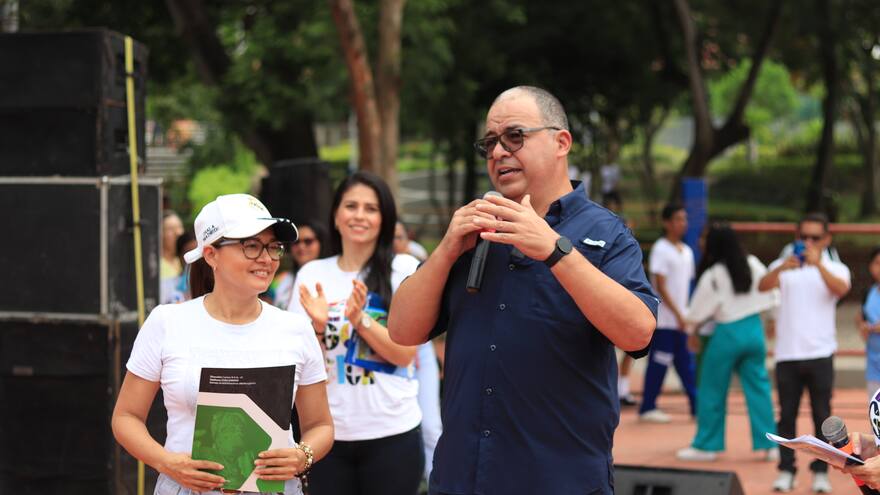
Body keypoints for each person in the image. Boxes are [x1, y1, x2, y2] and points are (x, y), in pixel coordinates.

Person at [386, 86, 658, 494]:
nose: (498, 152)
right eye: (490, 142)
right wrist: (445, 250)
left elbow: (639, 332)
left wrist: (553, 249)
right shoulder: (473, 229)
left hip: (560, 481)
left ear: (560, 142)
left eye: (515, 136)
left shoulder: (606, 233)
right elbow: (403, 331)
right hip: (464, 479)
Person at [112, 194, 334, 495]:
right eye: (251, 246)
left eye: (273, 247)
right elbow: (126, 417)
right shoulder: (168, 322)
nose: (266, 258)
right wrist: (168, 463)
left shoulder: (295, 329)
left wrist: (301, 456)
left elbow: (321, 425)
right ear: (211, 254)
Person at [288, 171, 424, 495]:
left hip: (393, 434)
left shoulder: (403, 269)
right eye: (351, 206)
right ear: (336, 215)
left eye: (371, 208)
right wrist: (318, 331)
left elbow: (405, 354)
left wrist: (360, 319)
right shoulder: (312, 273)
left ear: (384, 219)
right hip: (326, 438)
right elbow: (298, 368)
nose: (360, 215)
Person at [759, 212, 851, 493]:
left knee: (823, 416)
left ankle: (821, 472)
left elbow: (842, 289)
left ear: (826, 239)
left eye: (815, 237)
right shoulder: (783, 265)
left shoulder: (835, 268)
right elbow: (762, 286)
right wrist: (781, 269)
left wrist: (818, 264)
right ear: (796, 237)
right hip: (787, 354)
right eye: (804, 237)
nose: (808, 242)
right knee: (786, 415)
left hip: (821, 353)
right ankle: (786, 470)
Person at [674, 222, 779, 462]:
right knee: (759, 388)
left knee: (712, 388)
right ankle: (771, 445)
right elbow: (771, 290)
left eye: (704, 238)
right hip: (754, 331)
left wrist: (691, 329)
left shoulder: (713, 274)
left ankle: (707, 445)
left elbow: (697, 313)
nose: (701, 242)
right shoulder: (752, 263)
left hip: (727, 334)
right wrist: (772, 319)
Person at [638, 203, 698, 423]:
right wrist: (678, 314)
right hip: (664, 320)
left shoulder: (688, 252)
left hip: (681, 320)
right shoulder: (661, 249)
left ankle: (696, 405)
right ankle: (648, 406)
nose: (682, 223)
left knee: (685, 363)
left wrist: (687, 314)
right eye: (677, 219)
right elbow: (660, 285)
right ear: (666, 223)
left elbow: (686, 286)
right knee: (660, 362)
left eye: (684, 219)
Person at [394, 219, 443, 482]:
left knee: (431, 424)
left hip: (419, 348)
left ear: (407, 239)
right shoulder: (374, 268)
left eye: (399, 237)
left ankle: (433, 479)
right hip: (392, 349)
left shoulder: (415, 259)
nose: (394, 243)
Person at [271, 221, 327, 311]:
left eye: (308, 241)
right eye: (296, 242)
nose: (301, 246)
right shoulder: (279, 280)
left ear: (321, 243)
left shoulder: (332, 276)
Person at [858, 247, 880, 399]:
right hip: (874, 366)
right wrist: (863, 327)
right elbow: (860, 317)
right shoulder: (867, 293)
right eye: (878, 263)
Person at [160, 210, 185, 303]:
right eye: (170, 229)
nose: (178, 232)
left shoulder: (187, 261)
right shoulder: (155, 266)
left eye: (179, 227)